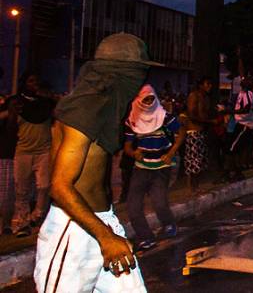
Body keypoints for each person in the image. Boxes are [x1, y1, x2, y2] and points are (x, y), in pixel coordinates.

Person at [35, 33, 157, 292]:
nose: (141, 81)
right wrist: (104, 237)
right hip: (74, 228)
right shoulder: (83, 110)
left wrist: (107, 229)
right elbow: (59, 186)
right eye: (138, 73)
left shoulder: (104, 106)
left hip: (102, 220)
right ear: (120, 74)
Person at [123, 84, 185, 250]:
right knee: (133, 205)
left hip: (161, 168)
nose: (149, 102)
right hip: (141, 167)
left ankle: (169, 224)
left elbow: (181, 133)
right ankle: (146, 237)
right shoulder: (132, 120)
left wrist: (171, 153)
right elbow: (128, 145)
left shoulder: (165, 117)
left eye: (151, 98)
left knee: (159, 202)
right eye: (146, 99)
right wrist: (133, 153)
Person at [12, 72, 57, 237]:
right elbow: (10, 125)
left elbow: (58, 113)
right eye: (30, 81)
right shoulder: (18, 104)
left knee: (44, 186)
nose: (34, 84)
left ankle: (38, 215)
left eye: (36, 81)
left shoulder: (46, 104)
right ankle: (21, 222)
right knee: (21, 189)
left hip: (43, 150)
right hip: (23, 150)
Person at [184, 77, 215, 192]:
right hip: (193, 131)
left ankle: (196, 186)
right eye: (207, 84)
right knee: (193, 161)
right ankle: (191, 188)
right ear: (201, 85)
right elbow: (191, 115)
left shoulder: (206, 98)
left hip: (202, 131)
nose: (209, 86)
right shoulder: (194, 96)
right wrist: (210, 122)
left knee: (200, 161)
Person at [223, 76, 253, 182]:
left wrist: (230, 112)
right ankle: (235, 172)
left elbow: (246, 109)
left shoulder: (248, 94)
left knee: (232, 148)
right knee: (233, 148)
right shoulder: (243, 93)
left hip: (245, 125)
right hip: (241, 124)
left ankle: (233, 172)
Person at [0, 96, 18, 235]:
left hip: (8, 157)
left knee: (6, 196)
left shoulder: (16, 119)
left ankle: (6, 224)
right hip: (5, 155)